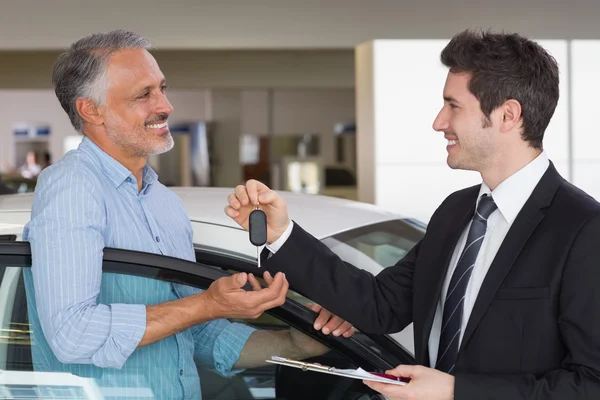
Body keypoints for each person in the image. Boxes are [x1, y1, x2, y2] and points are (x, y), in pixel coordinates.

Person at [226, 30, 600, 399]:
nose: (439, 122)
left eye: (453, 106)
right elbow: (379, 305)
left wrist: (455, 392)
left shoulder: (583, 229)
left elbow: (590, 383)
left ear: (508, 115)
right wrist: (282, 233)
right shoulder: (456, 212)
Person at [23, 30, 353, 399]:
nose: (165, 105)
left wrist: (294, 344)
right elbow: (74, 334)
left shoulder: (163, 202)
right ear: (91, 109)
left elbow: (192, 332)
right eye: (144, 94)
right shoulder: (72, 187)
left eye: (162, 88)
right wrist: (208, 303)